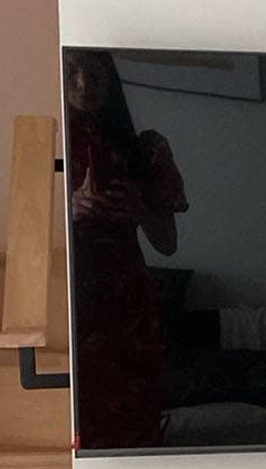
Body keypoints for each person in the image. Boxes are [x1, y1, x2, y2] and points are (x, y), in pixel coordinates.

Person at [64, 48, 187, 447]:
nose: (83, 84)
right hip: (72, 303)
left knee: (133, 422)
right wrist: (69, 209)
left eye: (95, 73)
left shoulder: (144, 150)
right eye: (71, 71)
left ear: (111, 79)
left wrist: (141, 211)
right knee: (77, 424)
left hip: (128, 308)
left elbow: (167, 244)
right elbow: (24, 241)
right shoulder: (48, 149)